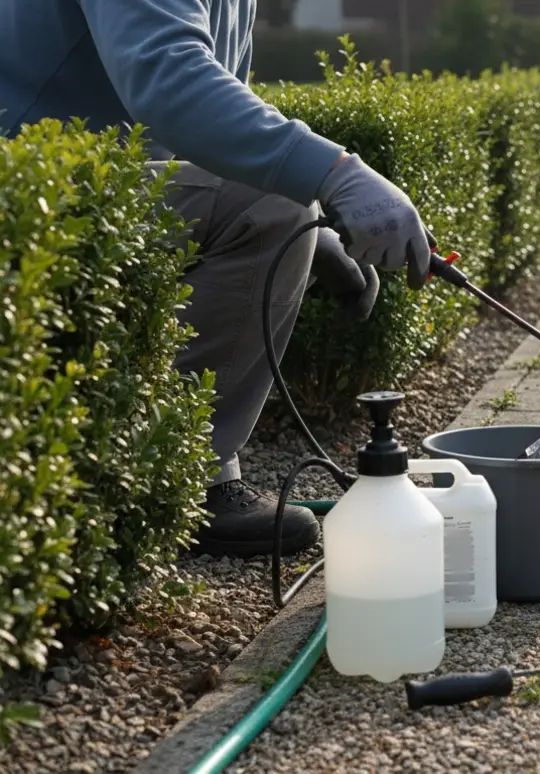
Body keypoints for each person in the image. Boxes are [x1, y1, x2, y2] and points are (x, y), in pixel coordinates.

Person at [0, 0, 434, 558]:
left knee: (277, 209)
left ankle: (161, 463)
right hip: (25, 185)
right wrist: (332, 177)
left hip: (83, 176)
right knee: (272, 210)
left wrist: (311, 227)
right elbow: (170, 78)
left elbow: (213, 109)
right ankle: (172, 478)